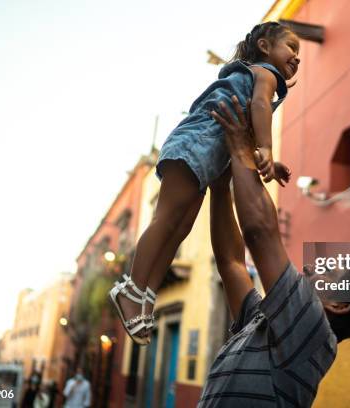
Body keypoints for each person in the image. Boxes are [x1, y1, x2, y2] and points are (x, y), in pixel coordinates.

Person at [109, 21, 300, 345]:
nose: (297, 57)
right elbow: (259, 107)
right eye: (292, 48)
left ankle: (146, 296)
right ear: (266, 47)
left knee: (179, 227)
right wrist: (267, 148)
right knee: (167, 220)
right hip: (196, 144)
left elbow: (241, 129)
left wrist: (261, 156)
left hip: (205, 154)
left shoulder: (252, 78)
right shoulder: (265, 74)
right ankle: (132, 287)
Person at [198, 97, 350, 406]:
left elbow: (261, 234)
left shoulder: (313, 330)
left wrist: (240, 147)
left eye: (329, 271)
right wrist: (220, 189)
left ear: (338, 305)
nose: (311, 268)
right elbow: (232, 264)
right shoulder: (269, 324)